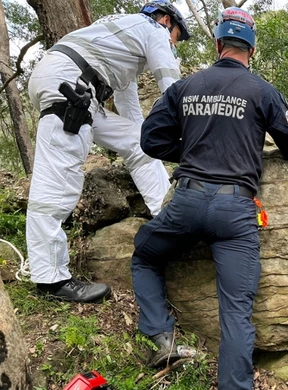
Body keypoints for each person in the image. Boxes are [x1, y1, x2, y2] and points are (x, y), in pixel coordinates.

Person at [130, 7, 288, 389]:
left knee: (145, 254)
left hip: (187, 202)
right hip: (235, 212)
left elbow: (150, 140)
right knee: (236, 311)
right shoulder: (262, 91)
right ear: (252, 49)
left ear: (217, 44)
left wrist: (195, 151)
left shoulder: (185, 87)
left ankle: (163, 337)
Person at [25, 0, 190, 303]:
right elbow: (173, 89)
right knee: (59, 181)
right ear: (167, 20)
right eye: (177, 36)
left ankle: (165, 212)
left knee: (138, 141)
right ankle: (51, 279)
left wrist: (152, 141)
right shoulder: (153, 30)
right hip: (70, 86)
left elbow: (133, 118)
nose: (174, 44)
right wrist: (193, 138)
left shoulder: (125, 42)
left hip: (77, 84)